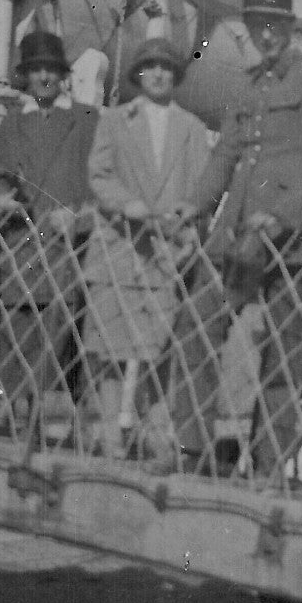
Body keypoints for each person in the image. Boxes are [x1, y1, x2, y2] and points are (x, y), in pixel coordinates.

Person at [153, 0, 302, 482]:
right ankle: (192, 450)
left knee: (281, 351)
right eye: (257, 25)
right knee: (196, 325)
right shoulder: (246, 85)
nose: (267, 35)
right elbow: (225, 155)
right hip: (237, 232)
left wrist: (282, 214)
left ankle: (267, 466)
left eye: (275, 25)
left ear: (290, 28)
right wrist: (194, 207)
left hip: (291, 237)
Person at [80, 37, 213, 459]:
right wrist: (126, 203)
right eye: (150, 66)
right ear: (138, 73)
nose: (158, 73)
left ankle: (155, 433)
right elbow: (99, 175)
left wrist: (186, 225)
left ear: (176, 75)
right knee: (112, 346)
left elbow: (200, 187)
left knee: (158, 348)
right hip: (120, 246)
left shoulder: (191, 128)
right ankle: (110, 434)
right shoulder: (116, 120)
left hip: (164, 253)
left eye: (166, 67)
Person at [0, 29, 99, 437]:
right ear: (26, 77)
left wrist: (78, 216)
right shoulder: (15, 122)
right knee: (16, 323)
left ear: (64, 74)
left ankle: (52, 418)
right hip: (21, 240)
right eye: (36, 71)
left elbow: (100, 186)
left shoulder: (86, 120)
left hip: (67, 245)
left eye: (52, 69)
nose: (44, 78)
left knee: (60, 329)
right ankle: (13, 410)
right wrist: (0, 198)